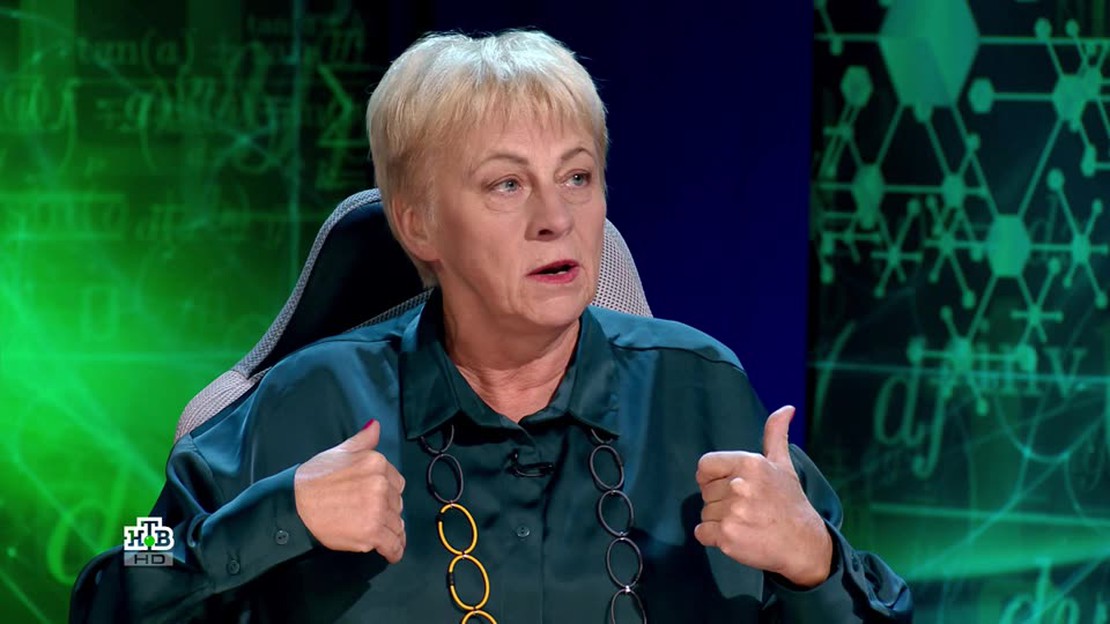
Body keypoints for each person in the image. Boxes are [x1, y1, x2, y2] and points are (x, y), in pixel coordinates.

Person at [71, 30, 912, 622]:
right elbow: (121, 570)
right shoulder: (308, 400)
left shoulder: (702, 391)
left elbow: (880, 602)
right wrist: (274, 517)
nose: (557, 219)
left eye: (577, 177)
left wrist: (815, 563)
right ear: (419, 225)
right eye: (507, 185)